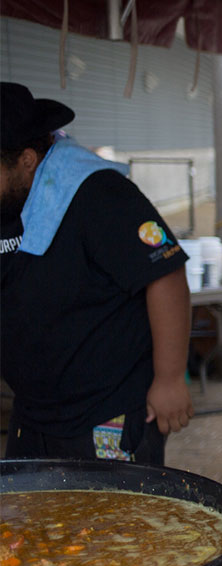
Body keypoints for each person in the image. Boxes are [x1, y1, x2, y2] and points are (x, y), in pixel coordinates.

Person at [1, 82, 192, 463]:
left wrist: (170, 378)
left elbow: (165, 275)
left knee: (111, 523)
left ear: (26, 160)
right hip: (34, 414)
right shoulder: (8, 200)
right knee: (30, 522)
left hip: (108, 413)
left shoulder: (99, 194)